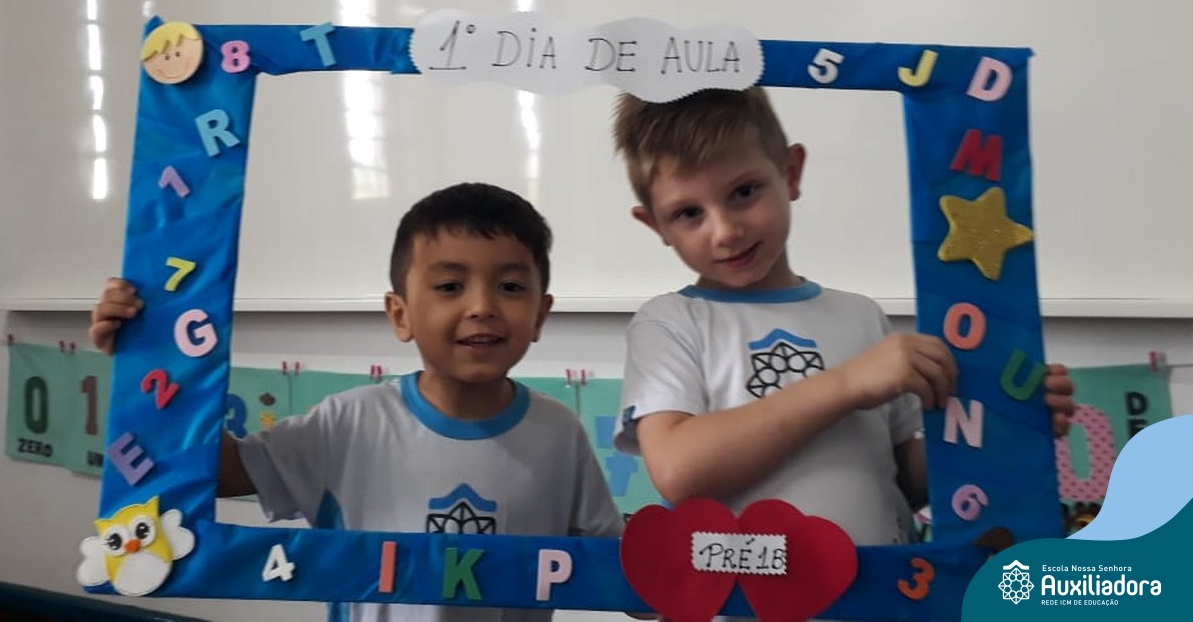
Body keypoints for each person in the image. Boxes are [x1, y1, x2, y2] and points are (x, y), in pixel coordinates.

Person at [90, 182, 625, 622]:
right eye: (449, 286)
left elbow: (614, 566)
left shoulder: (560, 433)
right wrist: (153, 360)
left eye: (510, 287)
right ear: (400, 314)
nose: (482, 306)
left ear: (540, 314)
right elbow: (220, 473)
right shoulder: (348, 422)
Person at [609, 87, 1076, 552]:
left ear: (791, 173)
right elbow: (679, 470)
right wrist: (847, 384)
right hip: (745, 591)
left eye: (744, 192)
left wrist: (1004, 430)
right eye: (689, 213)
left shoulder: (861, 316)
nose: (726, 231)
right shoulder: (669, 322)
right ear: (655, 225)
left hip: (882, 589)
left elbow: (901, 481)